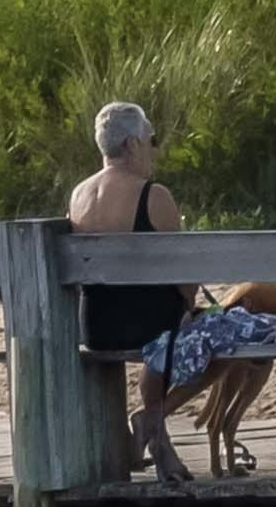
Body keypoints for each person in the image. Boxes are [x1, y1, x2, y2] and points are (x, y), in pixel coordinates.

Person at [62, 99, 192, 478]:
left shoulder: (78, 195)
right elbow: (186, 276)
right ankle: (155, 425)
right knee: (207, 335)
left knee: (170, 331)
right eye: (151, 140)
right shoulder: (154, 196)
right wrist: (188, 306)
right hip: (151, 327)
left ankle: (158, 438)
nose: (153, 149)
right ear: (133, 145)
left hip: (97, 327)